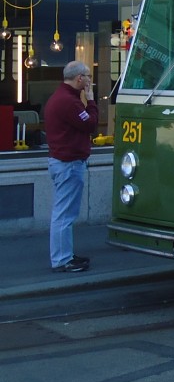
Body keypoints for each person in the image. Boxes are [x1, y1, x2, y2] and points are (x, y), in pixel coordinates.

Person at [44, 60, 98, 272]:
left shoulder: (60, 98)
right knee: (64, 214)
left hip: (62, 162)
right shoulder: (69, 102)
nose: (89, 81)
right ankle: (61, 259)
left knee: (63, 212)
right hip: (69, 164)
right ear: (79, 79)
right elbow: (91, 123)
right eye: (88, 77)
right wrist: (91, 100)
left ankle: (65, 254)